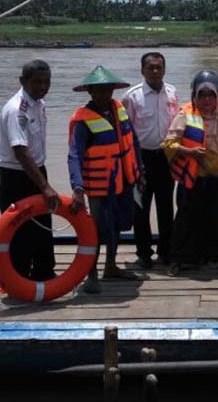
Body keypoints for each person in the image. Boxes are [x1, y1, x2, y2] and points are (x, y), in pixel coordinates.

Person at [68, 65, 144, 294]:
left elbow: (134, 141)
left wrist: (140, 170)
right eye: (98, 91)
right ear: (90, 92)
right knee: (96, 230)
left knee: (117, 226)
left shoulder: (118, 109)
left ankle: (110, 266)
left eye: (107, 90)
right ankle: (91, 276)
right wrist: (77, 188)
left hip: (123, 180)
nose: (103, 95)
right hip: (99, 187)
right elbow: (74, 155)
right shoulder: (83, 120)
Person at [161, 70, 218, 276]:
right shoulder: (184, 113)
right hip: (194, 177)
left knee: (217, 218)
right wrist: (190, 152)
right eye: (202, 95)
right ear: (194, 96)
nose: (206, 99)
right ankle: (179, 259)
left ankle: (213, 257)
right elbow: (168, 144)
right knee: (186, 219)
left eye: (211, 95)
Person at [0, 59, 59, 281]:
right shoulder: (17, 110)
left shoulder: (38, 103)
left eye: (46, 81)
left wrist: (43, 181)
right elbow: (21, 152)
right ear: (23, 81)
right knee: (20, 234)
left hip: (37, 170)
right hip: (16, 177)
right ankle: (20, 280)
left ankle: (44, 273)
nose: (43, 86)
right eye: (37, 82)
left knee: (43, 228)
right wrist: (44, 186)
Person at [121, 52, 178, 269]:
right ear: (142, 70)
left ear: (164, 69)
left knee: (165, 207)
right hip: (141, 158)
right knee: (140, 209)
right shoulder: (132, 96)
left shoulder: (172, 92)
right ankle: (144, 253)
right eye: (151, 68)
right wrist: (131, 164)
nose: (155, 71)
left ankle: (166, 252)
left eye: (159, 67)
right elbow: (125, 132)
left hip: (165, 157)